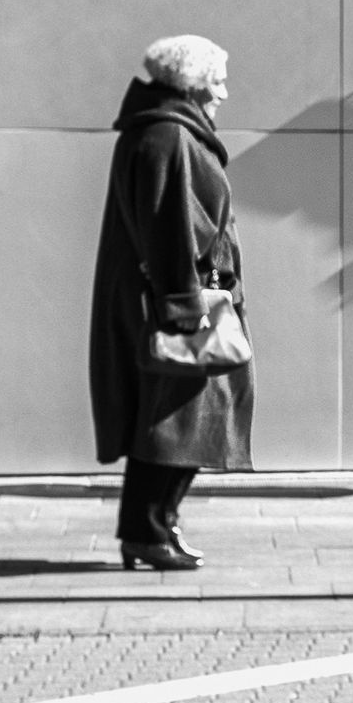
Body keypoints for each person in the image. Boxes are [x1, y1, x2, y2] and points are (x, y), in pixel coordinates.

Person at [89, 35, 254, 570]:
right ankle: (148, 531)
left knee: (183, 420)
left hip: (182, 298)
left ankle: (158, 525)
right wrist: (184, 307)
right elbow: (168, 227)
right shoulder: (168, 136)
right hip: (178, 305)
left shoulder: (166, 131)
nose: (223, 92)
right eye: (217, 81)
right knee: (172, 422)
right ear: (191, 83)